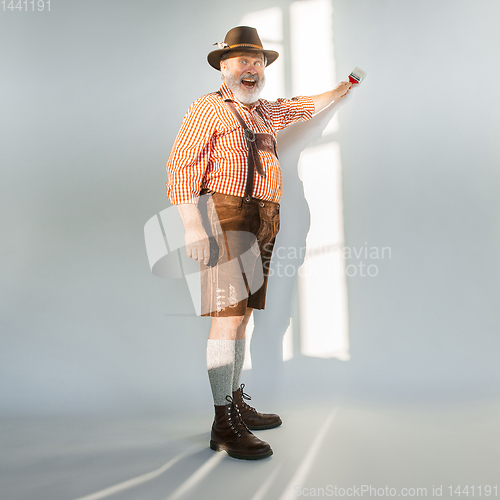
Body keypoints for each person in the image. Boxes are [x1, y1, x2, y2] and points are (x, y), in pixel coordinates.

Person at [166, 26, 352, 460]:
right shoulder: (208, 108)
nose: (251, 69)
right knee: (226, 320)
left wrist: (343, 88)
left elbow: (305, 106)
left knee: (243, 316)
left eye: (258, 62)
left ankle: (234, 405)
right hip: (228, 215)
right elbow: (181, 166)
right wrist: (194, 227)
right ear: (224, 67)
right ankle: (221, 424)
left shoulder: (266, 112)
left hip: (264, 218)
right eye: (242, 61)